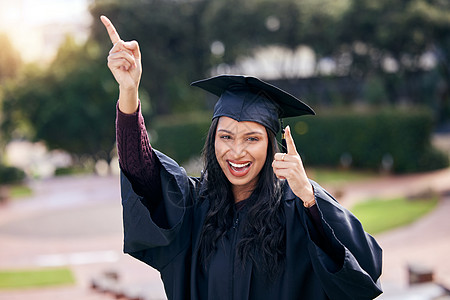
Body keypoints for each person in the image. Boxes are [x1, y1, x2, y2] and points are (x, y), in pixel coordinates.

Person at [101, 15, 383, 300]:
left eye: (252, 139)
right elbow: (141, 169)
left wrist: (309, 199)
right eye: (226, 137)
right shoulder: (196, 206)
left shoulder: (296, 207)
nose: (236, 152)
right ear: (213, 141)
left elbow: (362, 270)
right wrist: (129, 91)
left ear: (271, 146)